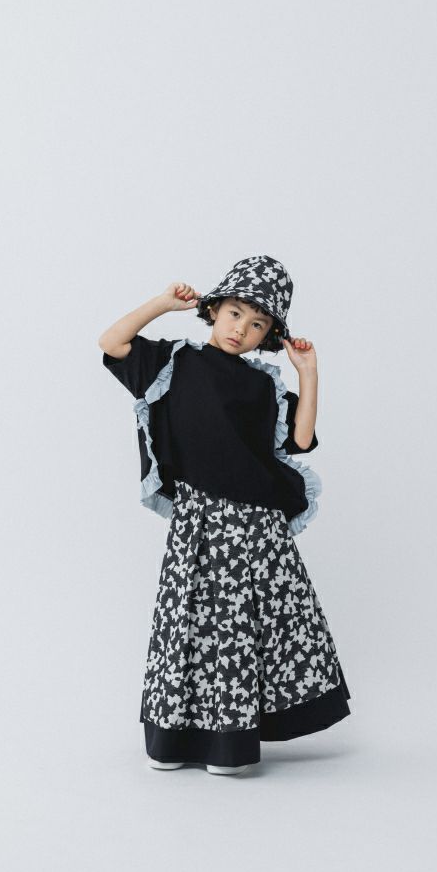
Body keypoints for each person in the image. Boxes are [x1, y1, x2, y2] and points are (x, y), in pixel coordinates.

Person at [99, 254, 351, 776]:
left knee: (238, 631)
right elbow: (113, 343)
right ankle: (173, 740)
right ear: (213, 310)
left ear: (268, 335)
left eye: (257, 324)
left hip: (255, 527)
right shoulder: (174, 363)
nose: (241, 329)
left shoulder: (262, 385)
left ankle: (229, 745)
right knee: (186, 623)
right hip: (197, 521)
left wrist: (308, 374)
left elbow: (301, 439)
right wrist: (163, 303)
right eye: (235, 313)